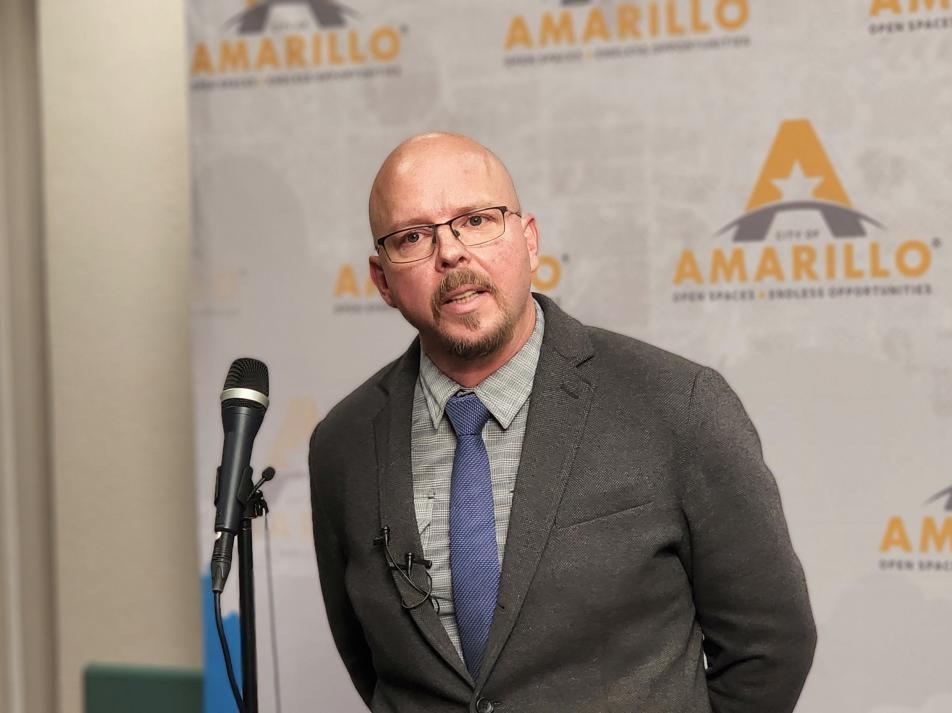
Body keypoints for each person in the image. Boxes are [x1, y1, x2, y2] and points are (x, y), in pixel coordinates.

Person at [309, 132, 816, 713]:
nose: (450, 253)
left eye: (476, 220)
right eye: (414, 237)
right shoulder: (342, 445)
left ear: (530, 242)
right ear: (382, 282)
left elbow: (770, 647)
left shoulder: (678, 405)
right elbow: (369, 660)